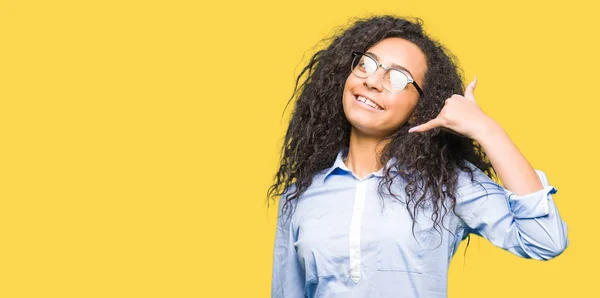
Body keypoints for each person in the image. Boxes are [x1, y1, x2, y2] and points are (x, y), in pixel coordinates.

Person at [267, 15, 568, 298]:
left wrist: (486, 129)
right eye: (366, 65)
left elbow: (544, 238)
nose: (373, 81)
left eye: (397, 78)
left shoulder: (446, 185)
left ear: (419, 111)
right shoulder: (300, 195)